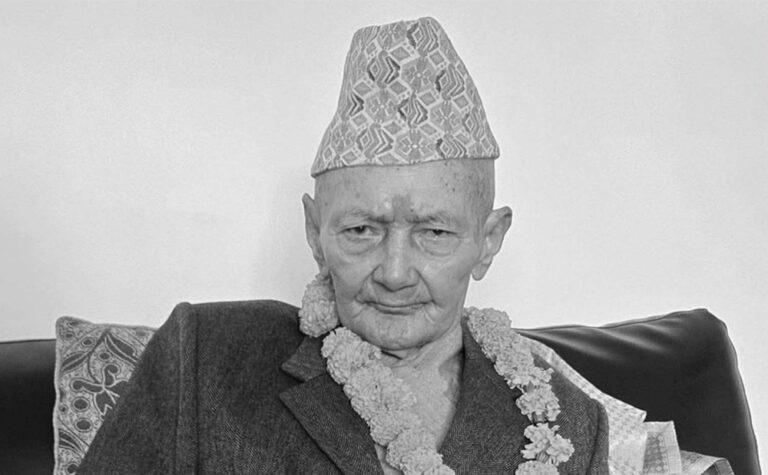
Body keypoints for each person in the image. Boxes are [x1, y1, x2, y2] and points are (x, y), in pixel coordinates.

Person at [78, 17, 730, 475]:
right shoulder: (206, 354)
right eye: (360, 230)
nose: (393, 272)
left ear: (489, 240)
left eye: (434, 233)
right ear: (313, 231)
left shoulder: (566, 423)